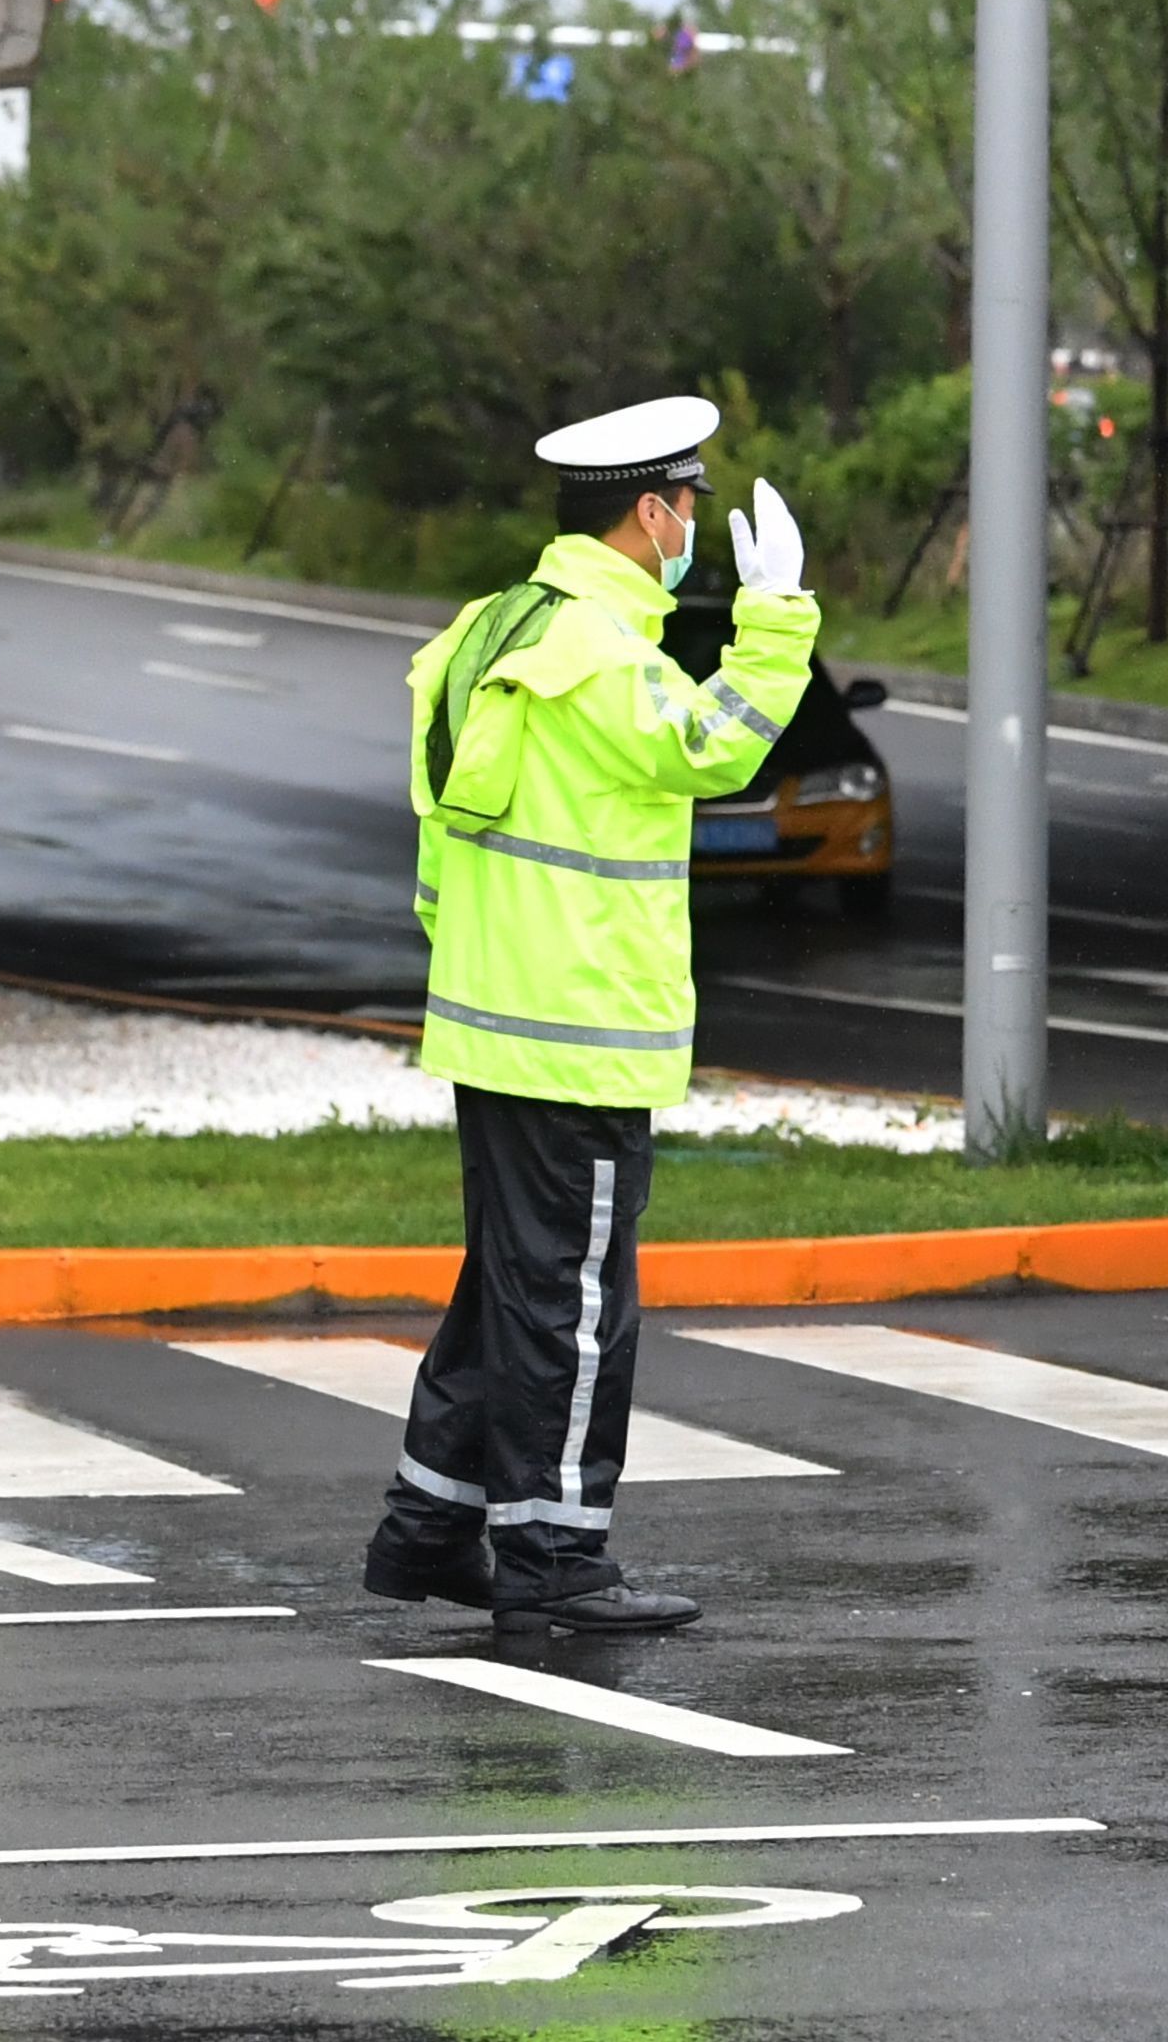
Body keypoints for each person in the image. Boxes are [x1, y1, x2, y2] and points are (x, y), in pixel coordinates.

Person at [367, 396, 817, 1636]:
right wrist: (776, 620)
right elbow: (718, 752)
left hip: (494, 1015)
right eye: (691, 505)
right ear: (653, 512)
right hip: (577, 1031)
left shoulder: (486, 629)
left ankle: (429, 1528)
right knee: (570, 1307)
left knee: (514, 1288)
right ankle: (557, 1554)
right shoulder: (606, 657)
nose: (695, 528)